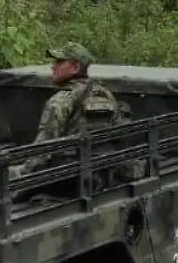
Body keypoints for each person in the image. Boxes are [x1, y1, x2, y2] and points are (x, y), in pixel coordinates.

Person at [10, 42, 126, 182]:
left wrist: (24, 174)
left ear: (75, 67)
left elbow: (42, 151)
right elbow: (118, 134)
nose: (53, 66)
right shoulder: (106, 95)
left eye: (60, 62)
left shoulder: (61, 101)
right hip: (100, 173)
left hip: (65, 176)